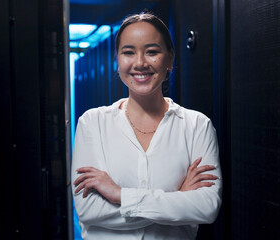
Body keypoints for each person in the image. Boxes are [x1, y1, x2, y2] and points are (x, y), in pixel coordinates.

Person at [71, 12, 222, 240]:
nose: (140, 63)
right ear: (117, 60)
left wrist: (119, 194)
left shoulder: (197, 125)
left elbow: (207, 207)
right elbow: (89, 211)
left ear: (170, 59)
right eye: (128, 52)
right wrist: (178, 199)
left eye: (152, 52)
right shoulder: (92, 123)